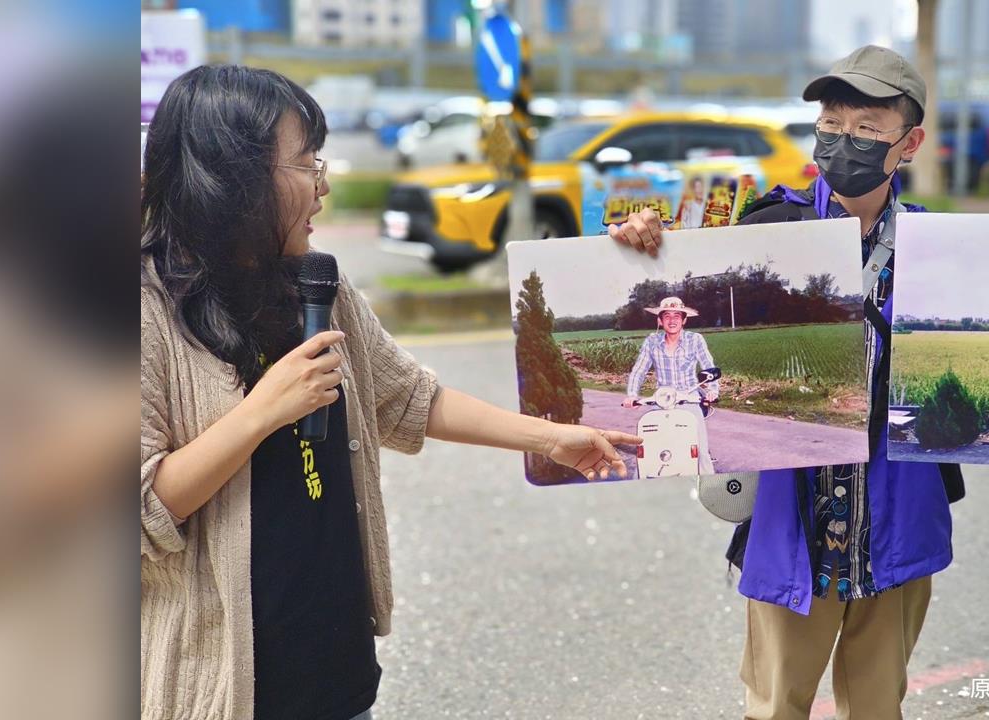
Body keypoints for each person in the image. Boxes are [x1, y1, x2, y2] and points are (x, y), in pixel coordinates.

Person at [140, 65, 641, 720]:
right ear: (232, 179)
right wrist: (262, 411)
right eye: (304, 162)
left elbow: (410, 397)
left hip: (335, 664)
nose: (323, 184)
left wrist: (553, 438)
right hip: (222, 685)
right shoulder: (142, 307)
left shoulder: (317, 284)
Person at [610, 45, 960, 719]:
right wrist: (637, 241)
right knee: (773, 707)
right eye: (832, 120)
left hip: (896, 525)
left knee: (879, 707)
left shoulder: (939, 251)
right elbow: (662, 295)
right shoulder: (762, 228)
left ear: (909, 143)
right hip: (790, 522)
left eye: (866, 127)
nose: (842, 138)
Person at [622, 297, 719, 473]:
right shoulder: (652, 341)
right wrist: (632, 395)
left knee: (701, 452)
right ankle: (639, 490)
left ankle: (709, 491)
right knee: (647, 448)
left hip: (689, 399)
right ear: (660, 320)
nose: (672, 320)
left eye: (677, 316)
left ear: (684, 320)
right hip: (662, 400)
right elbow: (639, 370)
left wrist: (712, 390)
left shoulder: (695, 340)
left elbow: (708, 366)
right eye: (667, 316)